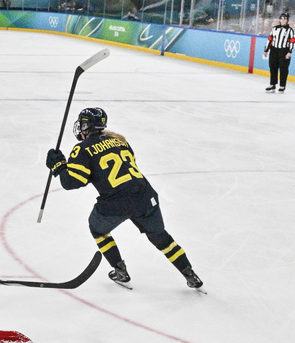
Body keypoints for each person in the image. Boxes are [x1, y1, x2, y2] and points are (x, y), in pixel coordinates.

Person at [45, 107, 203, 291]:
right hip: (145, 195)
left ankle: (120, 270)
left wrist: (59, 166)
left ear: (86, 125)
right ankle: (190, 274)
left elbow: (72, 182)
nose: (80, 128)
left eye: (82, 124)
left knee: (97, 229)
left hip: (117, 202)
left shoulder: (82, 148)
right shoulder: (119, 140)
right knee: (161, 238)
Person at [264, 12, 295, 93]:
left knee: (283, 69)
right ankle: (272, 84)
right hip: (274, 50)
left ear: (287, 20)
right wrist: (266, 50)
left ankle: (282, 85)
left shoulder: (290, 30)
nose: (283, 20)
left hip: (284, 51)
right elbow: (270, 39)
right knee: (273, 67)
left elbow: (292, 42)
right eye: (281, 19)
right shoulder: (275, 28)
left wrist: (289, 52)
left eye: (285, 19)